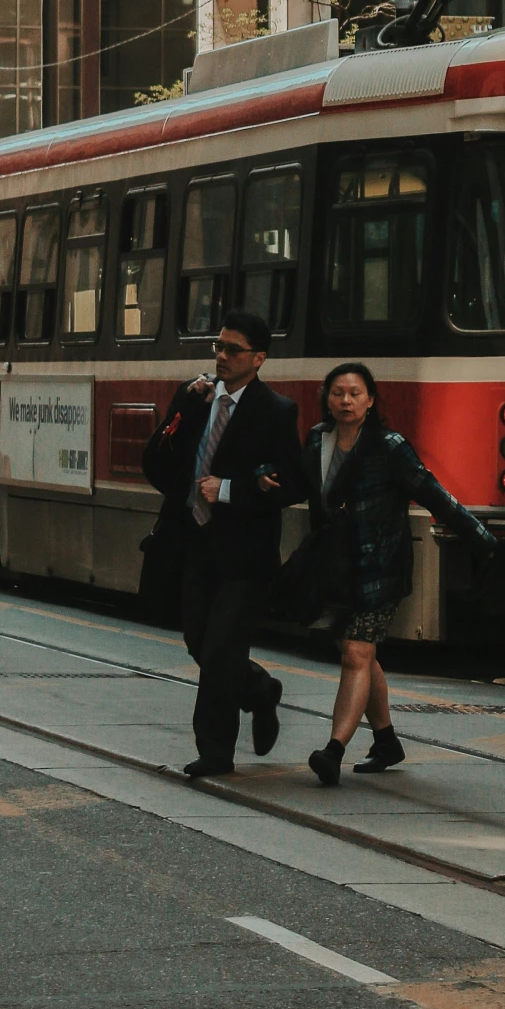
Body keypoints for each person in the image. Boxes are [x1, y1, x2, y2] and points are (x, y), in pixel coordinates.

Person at [299, 361, 498, 786]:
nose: (346, 401)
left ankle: (333, 750)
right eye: (338, 393)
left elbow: (432, 492)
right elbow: (301, 486)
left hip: (379, 568)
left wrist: (479, 535)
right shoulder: (318, 440)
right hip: (335, 568)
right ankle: (387, 740)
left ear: (371, 400)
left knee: (356, 652)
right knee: (363, 655)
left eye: (355, 393)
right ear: (326, 399)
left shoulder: (388, 446)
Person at [141, 310, 302, 779]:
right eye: (218, 346)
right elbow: (156, 465)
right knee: (198, 642)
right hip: (192, 543)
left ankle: (214, 751)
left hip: (243, 556)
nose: (222, 356)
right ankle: (259, 690)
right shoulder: (196, 397)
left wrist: (229, 489)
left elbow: (293, 484)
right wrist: (182, 410)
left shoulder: (276, 411)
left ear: (259, 359)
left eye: (233, 350)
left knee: (219, 653)